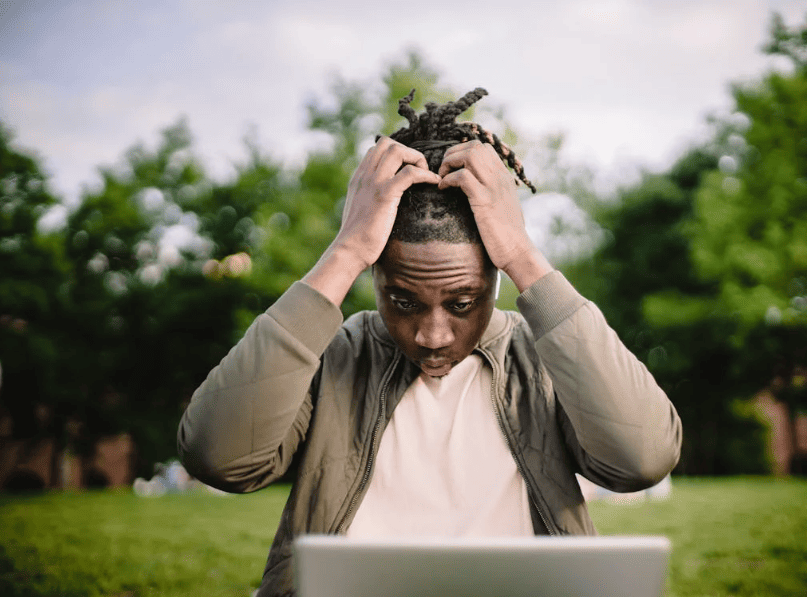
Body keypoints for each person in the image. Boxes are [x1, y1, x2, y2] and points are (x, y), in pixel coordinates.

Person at [177, 88, 682, 597]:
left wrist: (524, 254)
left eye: (461, 304)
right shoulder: (334, 355)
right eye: (403, 301)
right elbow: (218, 457)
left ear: (495, 278)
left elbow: (641, 459)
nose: (432, 335)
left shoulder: (547, 357)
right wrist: (345, 249)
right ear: (374, 275)